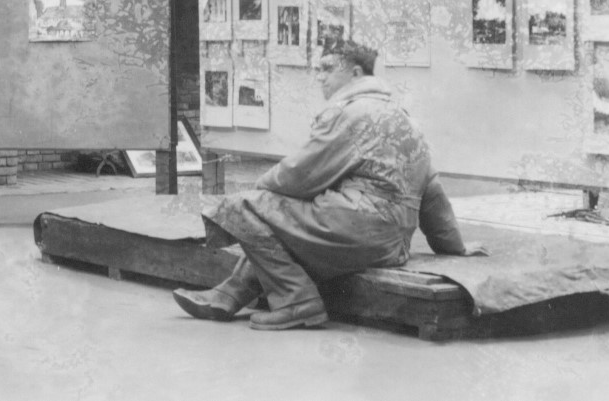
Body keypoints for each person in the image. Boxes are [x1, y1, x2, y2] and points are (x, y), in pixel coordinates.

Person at [173, 39, 485, 330]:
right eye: (317, 69)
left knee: (242, 208)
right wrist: (454, 246)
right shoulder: (405, 118)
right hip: (391, 245)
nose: (319, 77)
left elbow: (299, 176)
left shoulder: (349, 113)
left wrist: (259, 189)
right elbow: (433, 193)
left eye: (327, 69)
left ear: (356, 73)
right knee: (278, 223)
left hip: (354, 231)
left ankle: (297, 301)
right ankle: (229, 294)